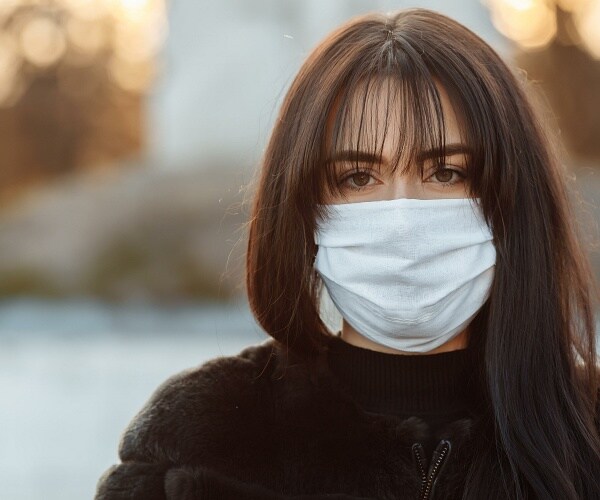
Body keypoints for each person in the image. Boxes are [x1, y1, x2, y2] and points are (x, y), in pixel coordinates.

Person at [95, 7, 600, 500]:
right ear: (304, 209)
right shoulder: (200, 445)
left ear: (510, 199)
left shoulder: (587, 436)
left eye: (446, 172)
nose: (402, 213)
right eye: (357, 177)